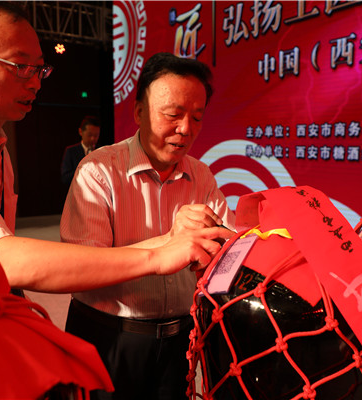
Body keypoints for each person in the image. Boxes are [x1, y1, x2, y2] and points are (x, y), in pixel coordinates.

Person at [0, 2, 233, 295]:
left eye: (39, 68)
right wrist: (159, 254)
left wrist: (172, 241)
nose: (35, 82)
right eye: (20, 66)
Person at [60, 52, 236, 399]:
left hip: (180, 340)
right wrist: (168, 243)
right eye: (173, 115)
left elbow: (225, 250)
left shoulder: (201, 176)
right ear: (139, 112)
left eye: (197, 117)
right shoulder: (99, 171)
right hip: (109, 337)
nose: (185, 129)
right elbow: (81, 267)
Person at [61, 115, 101, 186]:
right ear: (80, 132)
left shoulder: (101, 151)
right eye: (89, 135)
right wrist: (84, 169)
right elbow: (65, 178)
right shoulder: (71, 151)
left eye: (96, 135)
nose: (93, 138)